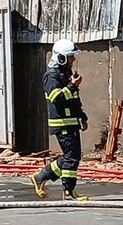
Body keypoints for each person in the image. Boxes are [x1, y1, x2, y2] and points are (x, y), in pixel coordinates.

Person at [30, 39, 90, 201]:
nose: (73, 60)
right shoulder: (51, 76)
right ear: (62, 58)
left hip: (71, 123)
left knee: (73, 156)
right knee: (71, 157)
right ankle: (67, 192)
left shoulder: (66, 75)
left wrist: (82, 117)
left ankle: (42, 178)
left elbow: (74, 100)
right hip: (62, 123)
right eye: (70, 56)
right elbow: (57, 98)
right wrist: (72, 86)